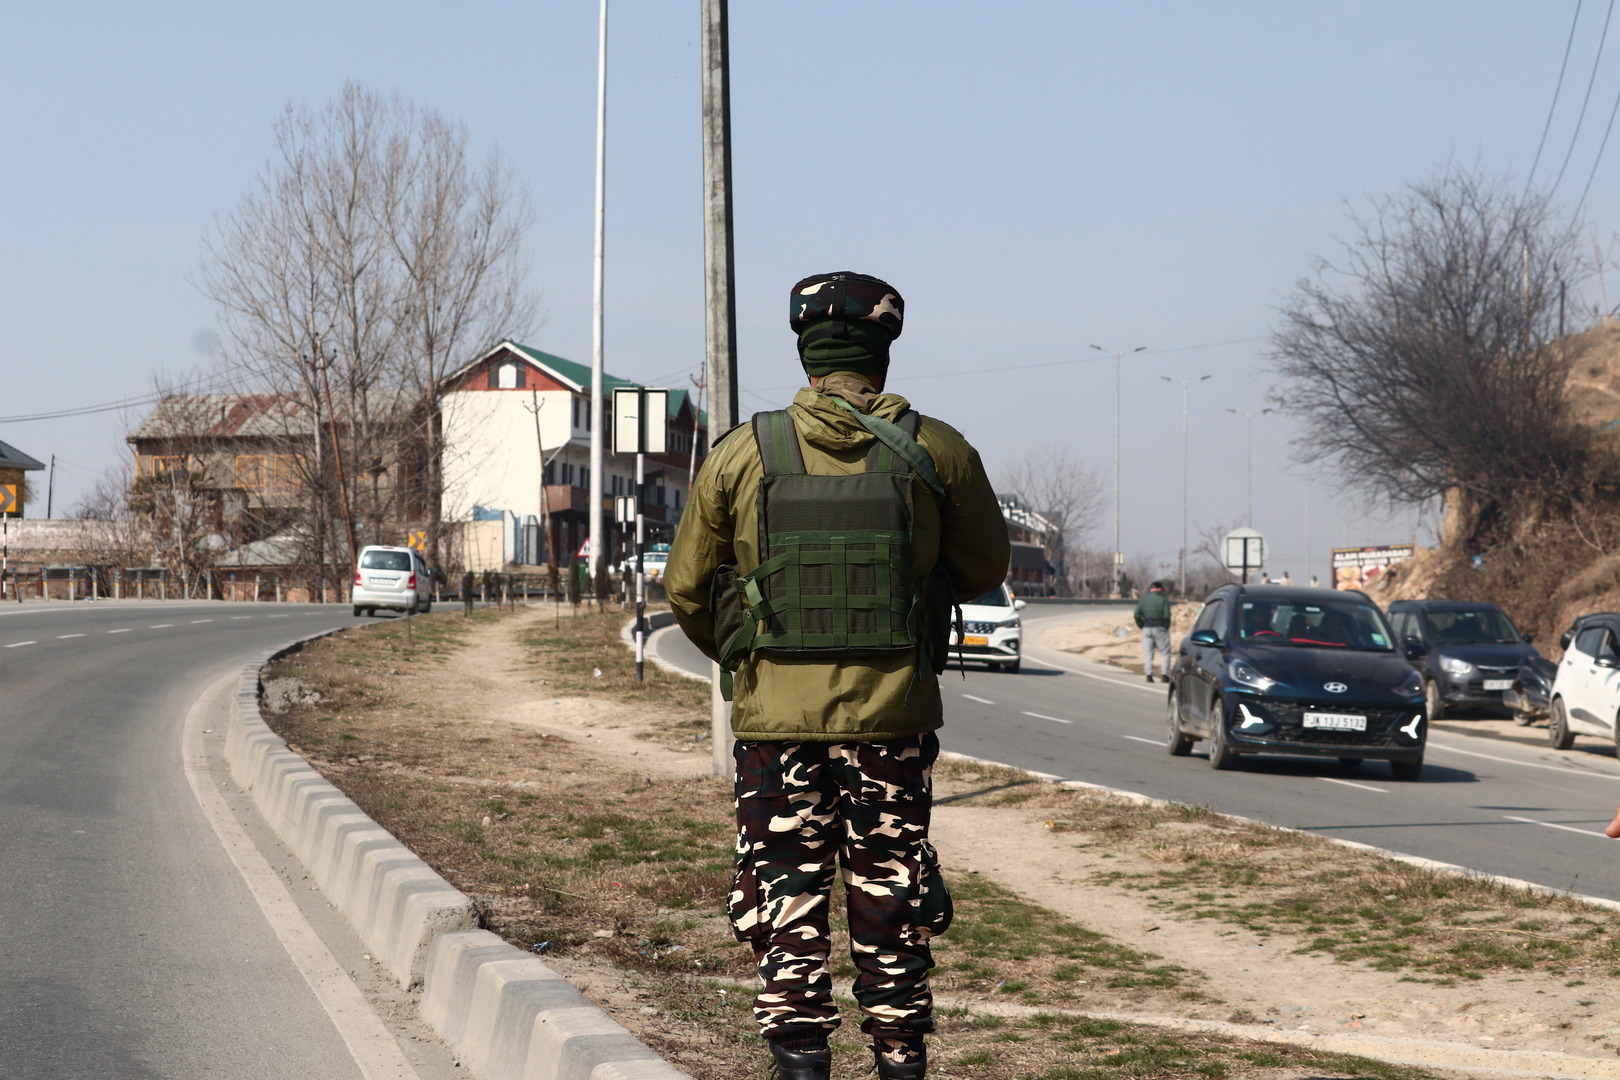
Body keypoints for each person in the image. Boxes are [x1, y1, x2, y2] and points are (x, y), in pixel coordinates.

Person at [665, 271, 1009, 1080]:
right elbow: (985, 564)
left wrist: (752, 661)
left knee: (785, 904)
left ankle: (799, 1064)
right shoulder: (939, 451)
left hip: (773, 729)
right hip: (891, 722)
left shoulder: (742, 454)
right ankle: (898, 1062)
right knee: (890, 903)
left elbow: (685, 588)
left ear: (805, 349)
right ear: (884, 351)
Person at [1134, 580, 1172, 682]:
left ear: (1151, 589)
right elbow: (1167, 616)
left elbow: (1136, 615)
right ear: (1160, 589)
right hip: (1160, 628)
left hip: (1146, 628)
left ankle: (1149, 675)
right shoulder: (1163, 600)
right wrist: (1165, 627)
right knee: (1164, 652)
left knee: (1148, 653)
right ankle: (1164, 675)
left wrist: (1142, 625)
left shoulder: (1143, 600)